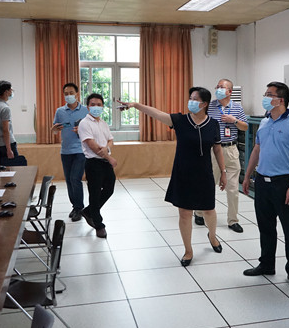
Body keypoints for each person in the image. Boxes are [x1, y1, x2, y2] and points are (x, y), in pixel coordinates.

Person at [118, 87, 227, 267]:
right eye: (190, 98)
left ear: (204, 104)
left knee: (209, 210)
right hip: (183, 173)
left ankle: (213, 237)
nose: (191, 102)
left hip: (204, 173)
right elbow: (156, 113)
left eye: (195, 99)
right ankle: (188, 250)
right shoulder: (180, 120)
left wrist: (223, 172)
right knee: (185, 213)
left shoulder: (213, 124)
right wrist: (135, 105)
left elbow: (217, 149)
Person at [242, 82, 289, 290]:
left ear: (281, 100)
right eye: (265, 93)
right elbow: (256, 150)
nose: (265, 97)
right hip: (262, 181)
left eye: (269, 94)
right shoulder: (264, 122)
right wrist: (247, 175)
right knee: (266, 226)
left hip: (283, 183)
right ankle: (267, 264)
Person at [194, 79, 248, 233]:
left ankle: (233, 220)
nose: (217, 89)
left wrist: (234, 120)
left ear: (230, 91)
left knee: (233, 188)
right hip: (213, 150)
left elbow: (245, 126)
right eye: (217, 87)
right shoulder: (210, 106)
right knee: (208, 184)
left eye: (221, 87)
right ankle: (199, 212)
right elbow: (199, 121)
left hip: (231, 150)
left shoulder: (237, 107)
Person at [77, 93, 117, 239]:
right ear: (88, 107)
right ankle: (99, 225)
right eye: (93, 104)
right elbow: (92, 146)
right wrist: (109, 157)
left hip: (104, 163)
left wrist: (107, 148)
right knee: (94, 194)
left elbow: (110, 140)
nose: (96, 107)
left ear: (103, 107)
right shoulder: (84, 123)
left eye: (99, 105)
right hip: (93, 163)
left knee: (109, 189)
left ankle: (89, 211)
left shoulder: (103, 123)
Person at [52, 83, 89, 222]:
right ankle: (75, 206)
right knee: (68, 180)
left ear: (77, 94)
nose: (69, 96)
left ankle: (79, 208)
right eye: (66, 93)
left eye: (71, 93)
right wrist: (54, 129)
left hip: (81, 150)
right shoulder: (60, 111)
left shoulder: (85, 110)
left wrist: (81, 130)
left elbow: (92, 129)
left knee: (75, 178)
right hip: (65, 151)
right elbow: (55, 130)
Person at [0, 80, 26, 166]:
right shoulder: (5, 108)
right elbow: (5, 130)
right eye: (11, 90)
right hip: (7, 144)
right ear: (6, 92)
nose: (12, 92)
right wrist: (9, 149)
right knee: (15, 168)